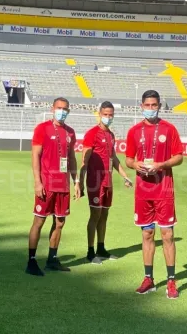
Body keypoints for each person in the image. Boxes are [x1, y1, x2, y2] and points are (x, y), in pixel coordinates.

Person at [125, 90, 184, 299]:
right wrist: (136, 165)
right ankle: (148, 279)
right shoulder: (133, 131)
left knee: (167, 235)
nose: (151, 108)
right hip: (143, 191)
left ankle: (170, 281)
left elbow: (179, 157)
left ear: (159, 105)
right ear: (141, 106)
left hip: (164, 190)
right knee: (147, 234)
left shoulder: (169, 129)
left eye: (154, 105)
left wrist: (162, 164)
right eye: (147, 105)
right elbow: (128, 159)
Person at [26, 97, 81, 276]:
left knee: (59, 222)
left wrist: (76, 181)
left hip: (63, 186)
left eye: (65, 109)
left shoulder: (70, 132)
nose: (62, 111)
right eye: (59, 108)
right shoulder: (42, 128)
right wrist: (37, 182)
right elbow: (35, 156)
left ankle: (52, 259)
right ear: (52, 109)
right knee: (39, 221)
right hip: (46, 185)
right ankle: (32, 261)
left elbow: (71, 158)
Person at [80, 101, 132, 265]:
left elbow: (113, 158)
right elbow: (84, 160)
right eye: (106, 114)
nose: (108, 117)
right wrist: (79, 182)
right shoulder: (92, 134)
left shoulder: (110, 135)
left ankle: (101, 248)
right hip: (95, 182)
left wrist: (124, 175)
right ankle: (90, 251)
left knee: (104, 215)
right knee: (95, 215)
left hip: (108, 182)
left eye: (111, 115)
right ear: (99, 113)